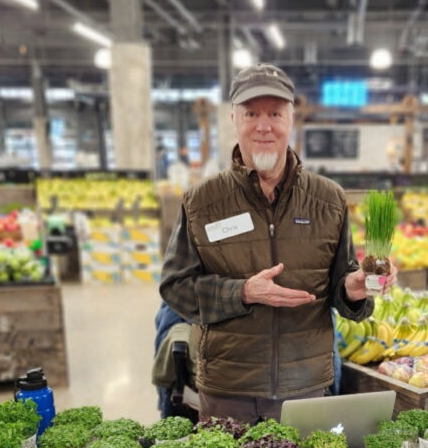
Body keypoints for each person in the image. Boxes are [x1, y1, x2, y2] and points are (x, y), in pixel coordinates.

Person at [159, 63, 395, 423]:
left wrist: (354, 289)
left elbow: (340, 285)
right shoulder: (201, 201)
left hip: (304, 391)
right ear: (234, 119)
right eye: (251, 113)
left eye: (275, 112)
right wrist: (243, 293)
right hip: (227, 391)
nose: (263, 125)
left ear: (291, 119)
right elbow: (176, 288)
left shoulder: (328, 199)